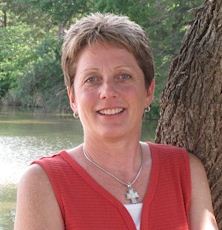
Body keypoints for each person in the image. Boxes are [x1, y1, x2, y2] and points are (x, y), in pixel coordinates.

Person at [14, 13, 218, 230]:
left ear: (148, 90)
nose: (107, 92)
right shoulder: (43, 181)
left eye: (123, 76)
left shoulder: (185, 170)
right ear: (73, 98)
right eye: (92, 79)